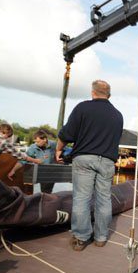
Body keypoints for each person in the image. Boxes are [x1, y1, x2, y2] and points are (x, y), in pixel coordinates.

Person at [56, 80, 123, 251]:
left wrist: (58, 150)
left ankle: (81, 237)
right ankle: (100, 237)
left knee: (81, 199)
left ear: (93, 93)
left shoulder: (83, 108)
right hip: (107, 161)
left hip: (84, 159)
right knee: (104, 199)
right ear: (109, 95)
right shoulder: (117, 115)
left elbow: (67, 133)